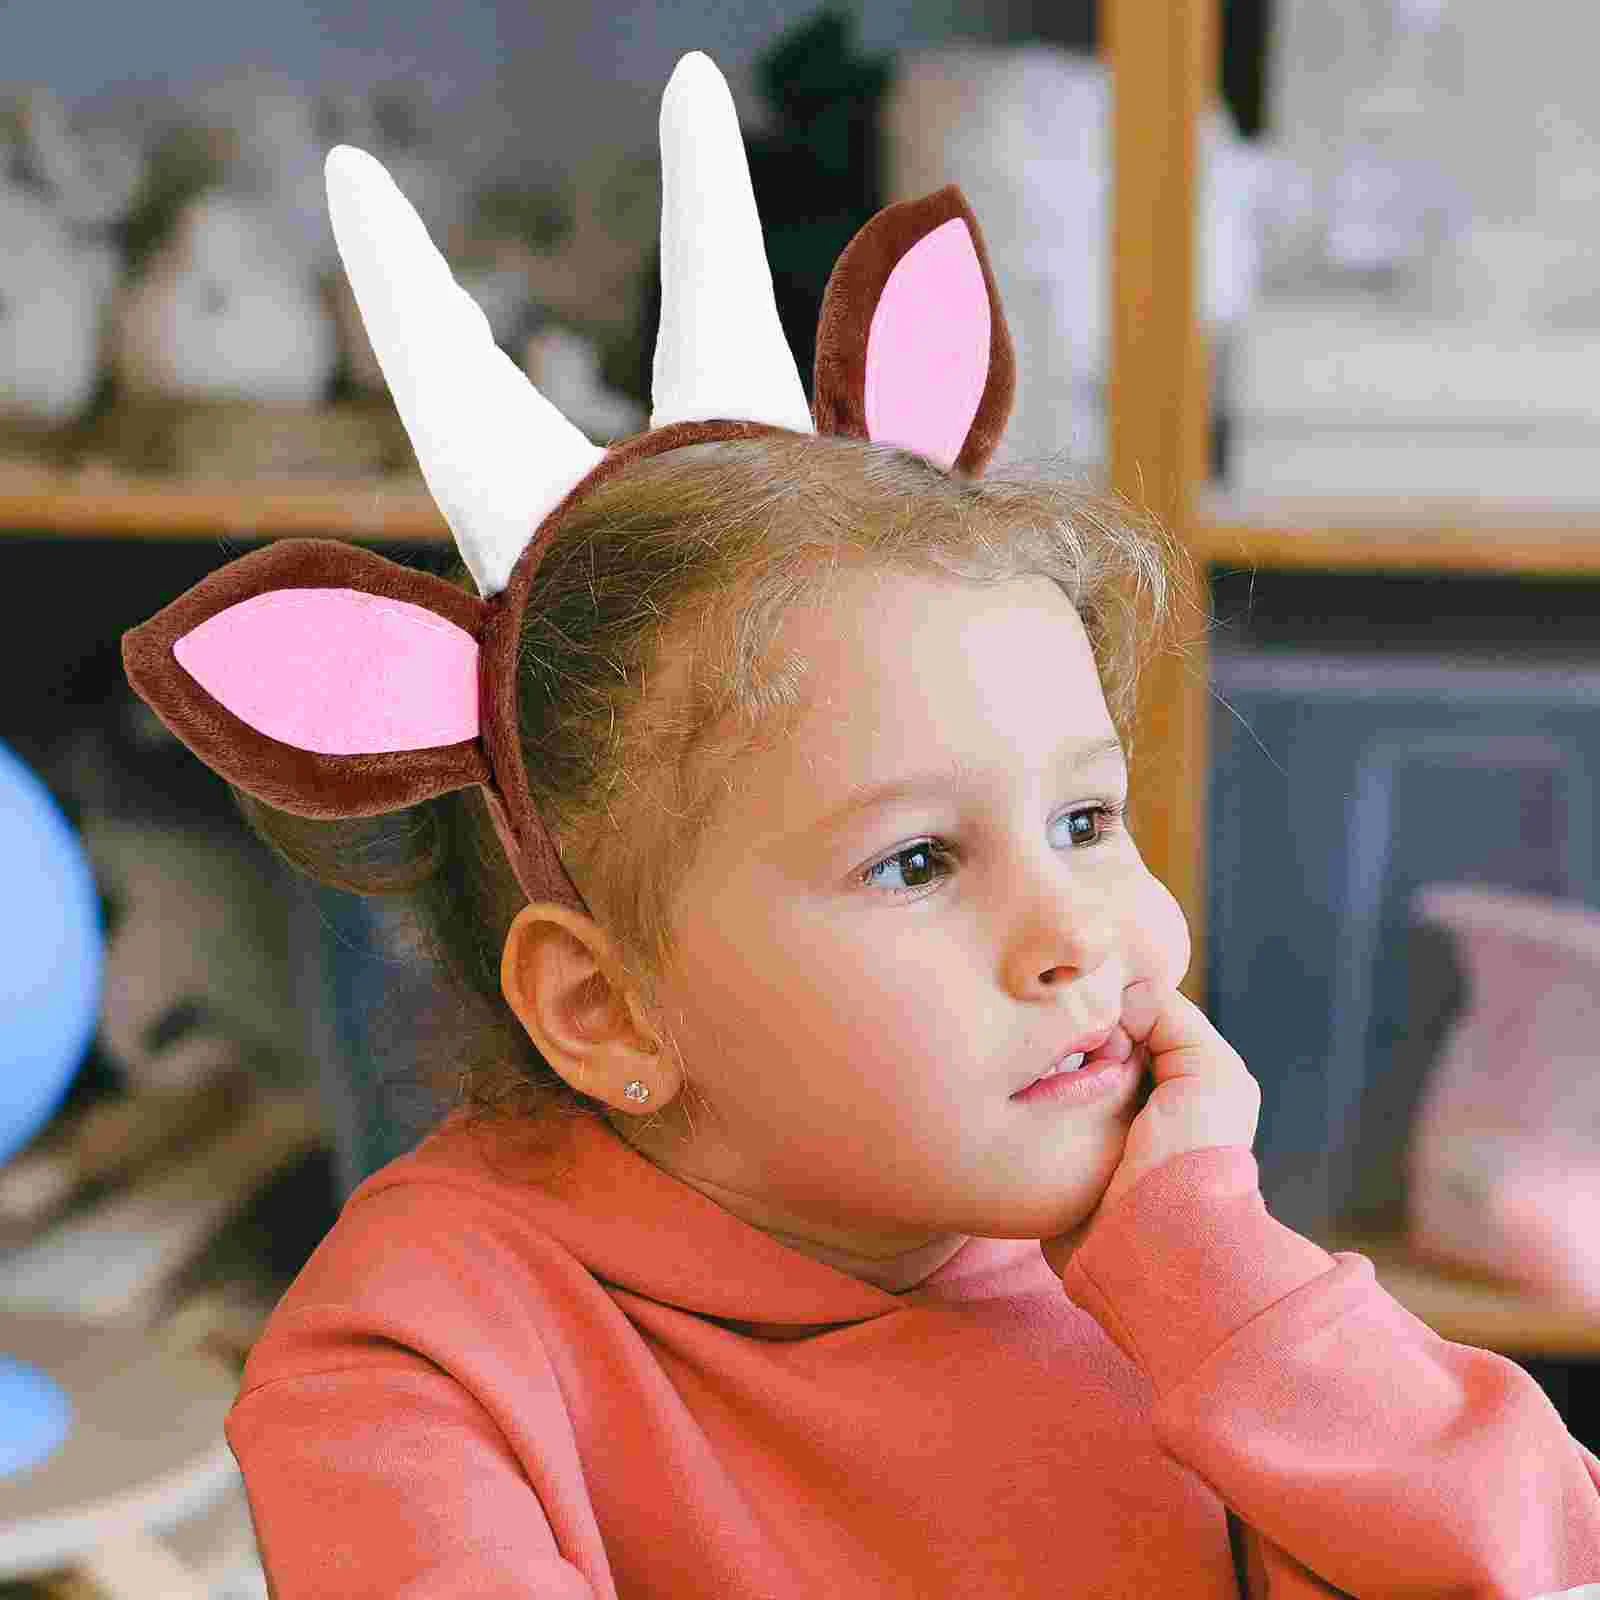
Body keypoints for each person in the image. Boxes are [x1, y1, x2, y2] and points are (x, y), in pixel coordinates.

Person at [122, 49, 1600, 1600]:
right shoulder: (420, 1352)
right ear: (608, 1002)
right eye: (918, 861)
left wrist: (1225, 1283)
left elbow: (1546, 1562)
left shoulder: (1152, 1255)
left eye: (1088, 819)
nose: (1076, 936)